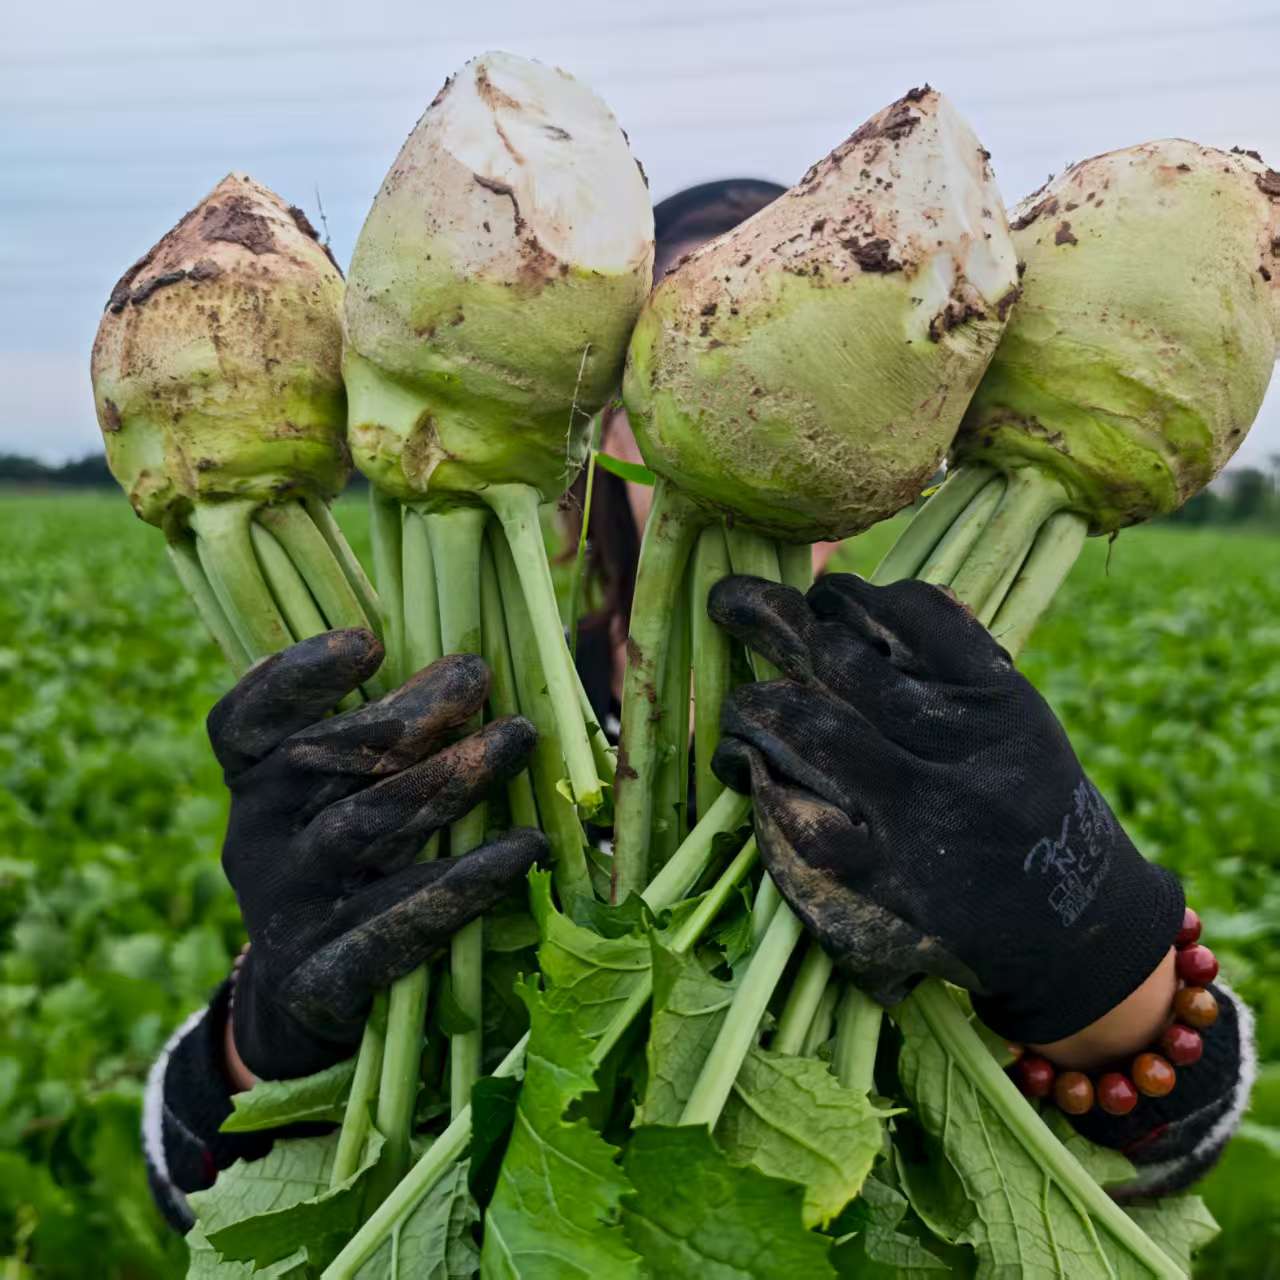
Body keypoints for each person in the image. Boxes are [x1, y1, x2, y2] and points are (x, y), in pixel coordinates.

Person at [144, 182, 1255, 1232]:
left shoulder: (952, 734)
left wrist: (1093, 938)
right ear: (599, 418)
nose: (770, 395)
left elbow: (1163, 1149)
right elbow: (203, 1192)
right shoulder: (439, 720)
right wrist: (269, 1029)